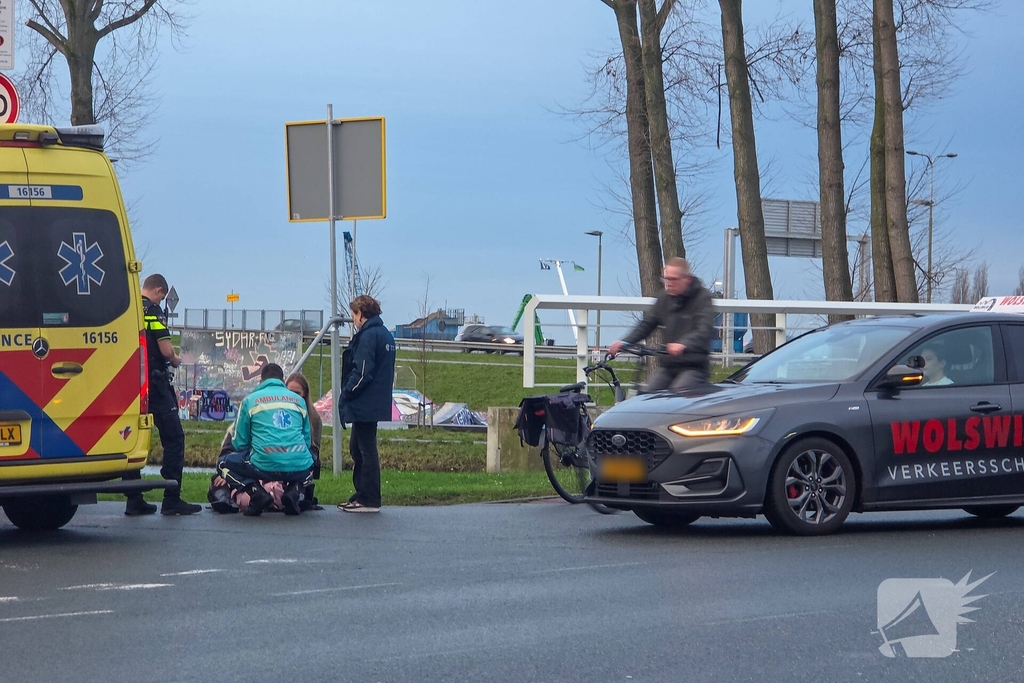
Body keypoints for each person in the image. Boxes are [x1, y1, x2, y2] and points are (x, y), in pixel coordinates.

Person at [124, 274, 202, 516]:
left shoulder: (129, 307)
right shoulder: (154, 311)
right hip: (155, 385)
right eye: (162, 296)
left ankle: (133, 499)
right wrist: (175, 359)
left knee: (131, 439)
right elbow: (166, 349)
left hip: (130, 384)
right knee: (174, 438)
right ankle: (172, 497)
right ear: (158, 291)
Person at [218, 363, 315, 516]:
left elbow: (240, 443)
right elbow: (307, 441)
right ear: (283, 380)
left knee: (223, 463)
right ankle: (294, 490)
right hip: (296, 465)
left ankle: (256, 493)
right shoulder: (299, 401)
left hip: (263, 464)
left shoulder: (250, 401)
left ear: (261, 380)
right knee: (312, 460)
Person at [608, 257, 715, 392]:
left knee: (677, 396)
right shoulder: (664, 298)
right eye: (666, 279)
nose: (668, 283)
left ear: (686, 279)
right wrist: (624, 342)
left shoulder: (703, 298)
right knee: (648, 395)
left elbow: (704, 330)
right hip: (669, 365)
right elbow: (647, 324)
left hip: (694, 366)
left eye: (673, 279)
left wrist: (683, 344)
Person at [337, 295, 396, 513]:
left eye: (354, 314)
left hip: (364, 403)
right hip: (376, 401)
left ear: (361, 314)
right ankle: (362, 494)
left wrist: (347, 392)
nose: (353, 319)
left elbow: (363, 371)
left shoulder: (368, 336)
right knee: (358, 447)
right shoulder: (385, 335)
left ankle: (369, 498)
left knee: (365, 450)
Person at [286, 371, 324, 510]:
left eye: (297, 393)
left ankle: (298, 490)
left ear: (305, 394)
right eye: (289, 392)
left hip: (301, 459)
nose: (293, 397)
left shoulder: (314, 418)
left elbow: (314, 449)